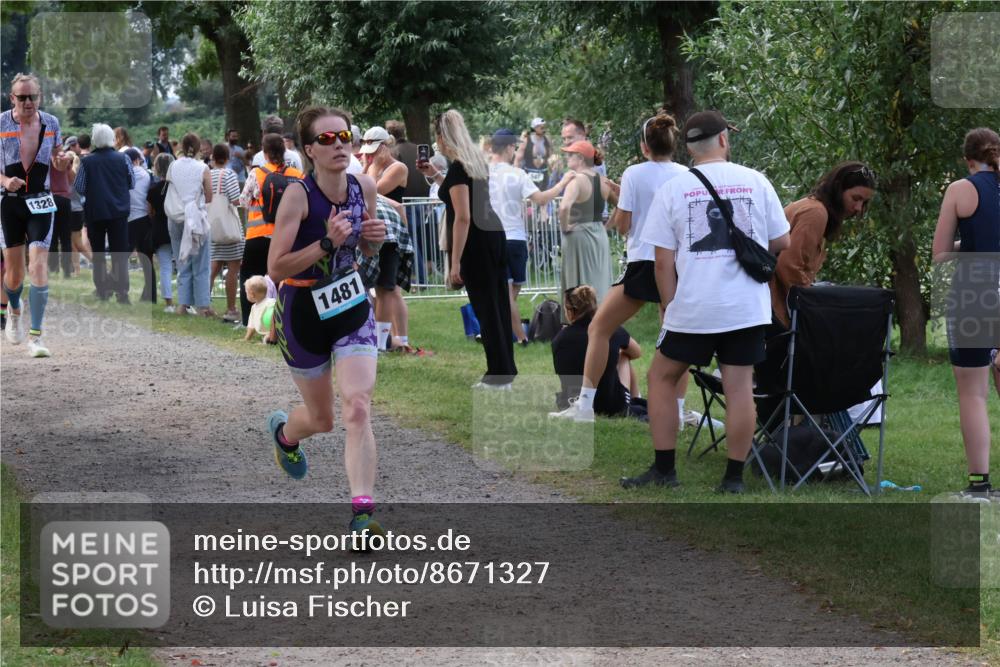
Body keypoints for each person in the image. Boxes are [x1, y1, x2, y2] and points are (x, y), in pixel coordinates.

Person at [623, 110, 790, 494]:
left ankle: (664, 470)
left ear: (690, 147)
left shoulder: (674, 189)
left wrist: (668, 305)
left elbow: (662, 261)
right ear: (724, 140)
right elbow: (784, 242)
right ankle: (733, 479)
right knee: (738, 387)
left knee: (661, 378)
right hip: (746, 306)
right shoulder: (755, 181)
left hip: (694, 306)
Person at [266, 104, 387, 537]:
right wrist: (324, 242)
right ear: (309, 150)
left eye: (345, 136)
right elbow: (276, 267)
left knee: (357, 406)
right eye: (327, 139)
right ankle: (285, 435)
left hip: (351, 303)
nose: (339, 145)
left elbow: (365, 250)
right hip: (302, 312)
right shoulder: (297, 195)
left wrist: (373, 242)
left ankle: (362, 513)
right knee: (323, 419)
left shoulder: (364, 187)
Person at [552, 113, 696, 425]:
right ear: (673, 145)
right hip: (676, 263)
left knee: (599, 328)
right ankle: (680, 411)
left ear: (645, 147)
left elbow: (623, 225)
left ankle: (586, 406)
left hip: (644, 260)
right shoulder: (686, 173)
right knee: (675, 334)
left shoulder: (634, 173)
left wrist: (623, 202)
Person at [420, 109, 516, 388]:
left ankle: (498, 375)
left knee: (486, 307)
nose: (436, 142)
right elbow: (458, 197)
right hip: (493, 234)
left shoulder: (460, 167)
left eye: (437, 135)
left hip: (476, 241)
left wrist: (456, 262)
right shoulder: (472, 162)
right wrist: (436, 175)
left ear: (442, 135)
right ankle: (504, 369)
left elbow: (462, 216)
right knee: (496, 303)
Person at [932, 127, 1000, 496]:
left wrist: (968, 244)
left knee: (974, 393)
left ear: (968, 160)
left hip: (976, 291)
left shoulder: (961, 190)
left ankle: (980, 483)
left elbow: (940, 254)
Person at [488, 128, 573, 343]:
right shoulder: (517, 174)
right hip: (514, 237)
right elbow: (541, 199)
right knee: (509, 292)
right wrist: (562, 184)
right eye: (514, 147)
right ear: (509, 148)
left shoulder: (482, 173)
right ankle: (520, 338)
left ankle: (503, 330)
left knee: (508, 293)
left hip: (492, 237)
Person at [771, 162, 877, 327]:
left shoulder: (813, 207)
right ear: (838, 189)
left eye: (864, 202)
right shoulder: (816, 212)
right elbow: (788, 265)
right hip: (771, 308)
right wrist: (815, 305)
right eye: (856, 198)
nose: (858, 208)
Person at [1, 72, 61, 357]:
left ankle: (35, 337)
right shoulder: (0, 123)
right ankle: (14, 309)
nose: (28, 102)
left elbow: (58, 157)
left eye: (32, 97)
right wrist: (4, 181)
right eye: (22, 97)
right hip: (9, 202)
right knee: (14, 276)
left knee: (38, 266)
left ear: (40, 97)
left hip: (41, 200)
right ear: (12, 98)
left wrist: (62, 161)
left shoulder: (51, 123)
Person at [551, 285, 646, 419]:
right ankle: (635, 397)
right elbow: (636, 352)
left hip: (571, 400)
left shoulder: (559, 339)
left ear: (570, 312)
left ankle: (632, 398)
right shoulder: (611, 330)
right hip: (609, 404)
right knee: (624, 355)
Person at [239, 133, 305, 325]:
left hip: (257, 237)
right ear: (285, 151)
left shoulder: (256, 173)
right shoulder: (296, 176)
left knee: (251, 278)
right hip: (286, 237)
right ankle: (284, 321)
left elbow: (243, 201)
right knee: (284, 280)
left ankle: (249, 321)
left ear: (265, 153)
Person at [74, 123, 134, 305]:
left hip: (95, 211)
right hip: (119, 211)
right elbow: (131, 182)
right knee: (119, 253)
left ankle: (102, 290)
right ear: (111, 139)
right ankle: (122, 293)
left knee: (98, 253)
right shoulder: (123, 159)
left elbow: (79, 187)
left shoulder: (86, 162)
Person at [558, 140, 616, 304]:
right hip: (599, 234)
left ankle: (578, 323)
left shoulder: (575, 181)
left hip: (578, 235)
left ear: (581, 158)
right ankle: (601, 320)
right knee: (599, 282)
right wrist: (607, 226)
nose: (567, 158)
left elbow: (563, 208)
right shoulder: (604, 181)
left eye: (570, 155)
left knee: (577, 285)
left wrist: (565, 227)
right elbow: (622, 205)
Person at [165, 132, 214, 317]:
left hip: (176, 216)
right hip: (196, 219)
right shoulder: (202, 168)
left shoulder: (173, 165)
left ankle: (182, 304)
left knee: (181, 261)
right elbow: (209, 195)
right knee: (201, 263)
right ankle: (203, 306)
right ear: (198, 146)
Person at [208, 143, 244, 322]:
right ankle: (231, 308)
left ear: (213, 157)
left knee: (213, 266)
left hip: (213, 226)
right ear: (228, 157)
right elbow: (236, 199)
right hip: (229, 228)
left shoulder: (208, 173)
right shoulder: (229, 174)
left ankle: (203, 303)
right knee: (233, 268)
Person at [125, 147, 155, 302]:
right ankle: (150, 294)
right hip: (144, 218)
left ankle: (122, 291)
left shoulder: (123, 175)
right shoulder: (146, 174)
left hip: (128, 219)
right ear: (137, 160)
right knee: (147, 258)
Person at [146, 153, 175, 310]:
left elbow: (150, 211)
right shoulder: (177, 188)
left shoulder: (153, 190)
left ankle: (169, 303)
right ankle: (186, 302)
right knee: (184, 267)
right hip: (177, 227)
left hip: (160, 230)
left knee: (165, 267)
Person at [61, 136, 92, 275]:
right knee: (73, 243)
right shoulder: (77, 172)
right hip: (76, 210)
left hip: (74, 211)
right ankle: (77, 270)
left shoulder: (71, 174)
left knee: (77, 244)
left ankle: (99, 264)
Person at [47, 139, 75, 279]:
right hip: (64, 199)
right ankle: (67, 270)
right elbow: (71, 179)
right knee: (65, 237)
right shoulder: (64, 158)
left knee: (51, 236)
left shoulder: (43, 158)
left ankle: (53, 268)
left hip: (49, 198)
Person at [386, 119, 428, 198]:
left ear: (389, 136)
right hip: (425, 199)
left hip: (406, 200)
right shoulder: (417, 148)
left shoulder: (393, 152)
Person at [515, 117, 552, 186]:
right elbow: (517, 160)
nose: (543, 129)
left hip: (544, 174)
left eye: (544, 127)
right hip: (528, 174)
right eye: (541, 127)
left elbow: (551, 159)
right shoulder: (526, 141)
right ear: (535, 128)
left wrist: (553, 173)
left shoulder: (547, 140)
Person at [242, 274, 275, 341]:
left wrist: (246, 339)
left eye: (246, 292)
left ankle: (268, 338)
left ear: (252, 294)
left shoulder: (254, 308)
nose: (246, 295)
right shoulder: (272, 302)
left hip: (269, 330)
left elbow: (251, 327)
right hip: (278, 329)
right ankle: (271, 336)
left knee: (267, 337)